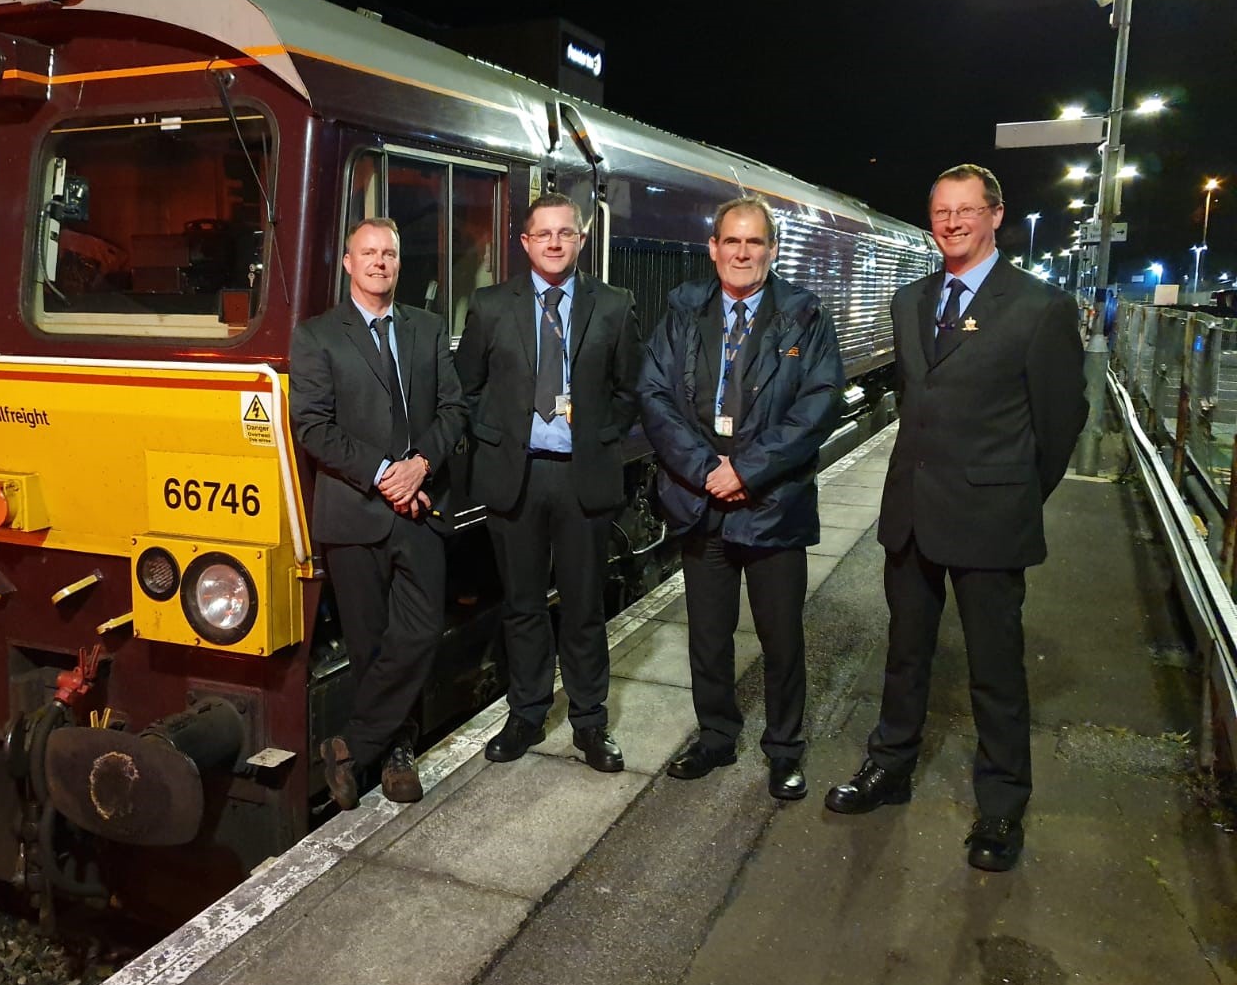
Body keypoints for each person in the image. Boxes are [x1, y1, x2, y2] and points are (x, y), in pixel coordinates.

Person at [825, 164, 1086, 871]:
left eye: (967, 211)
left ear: (996, 216)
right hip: (912, 513)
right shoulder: (910, 301)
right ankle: (891, 765)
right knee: (905, 655)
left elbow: (1062, 422)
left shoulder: (1038, 307)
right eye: (941, 211)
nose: (952, 222)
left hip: (991, 518)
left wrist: (1014, 494)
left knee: (995, 670)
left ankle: (1001, 806)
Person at [638, 195, 842, 800]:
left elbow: (819, 404)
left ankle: (783, 749)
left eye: (755, 242)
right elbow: (655, 395)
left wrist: (746, 471)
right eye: (732, 241)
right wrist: (707, 470)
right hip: (702, 503)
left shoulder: (804, 314)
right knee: (708, 633)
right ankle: (717, 736)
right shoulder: (683, 310)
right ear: (714, 248)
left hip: (772, 505)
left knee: (781, 637)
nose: (742, 253)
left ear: (772, 250)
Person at [454, 193, 641, 772]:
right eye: (544, 234)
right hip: (518, 476)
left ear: (581, 240)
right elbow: (467, 385)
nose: (555, 242)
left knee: (585, 605)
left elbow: (630, 389)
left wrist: (599, 431)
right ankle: (527, 715)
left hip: (581, 476)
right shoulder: (489, 306)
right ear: (525, 242)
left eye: (566, 233)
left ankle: (589, 721)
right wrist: (499, 433)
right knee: (523, 604)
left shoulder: (613, 305)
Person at [290, 217, 468, 810]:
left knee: (418, 632)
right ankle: (395, 756)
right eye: (368, 253)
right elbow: (312, 424)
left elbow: (453, 410)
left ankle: (351, 747)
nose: (379, 263)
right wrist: (386, 474)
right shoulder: (316, 336)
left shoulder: (427, 327)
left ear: (398, 262)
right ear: (347, 264)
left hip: (420, 508)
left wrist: (420, 465)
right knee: (369, 644)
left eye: (388, 253)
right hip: (354, 513)